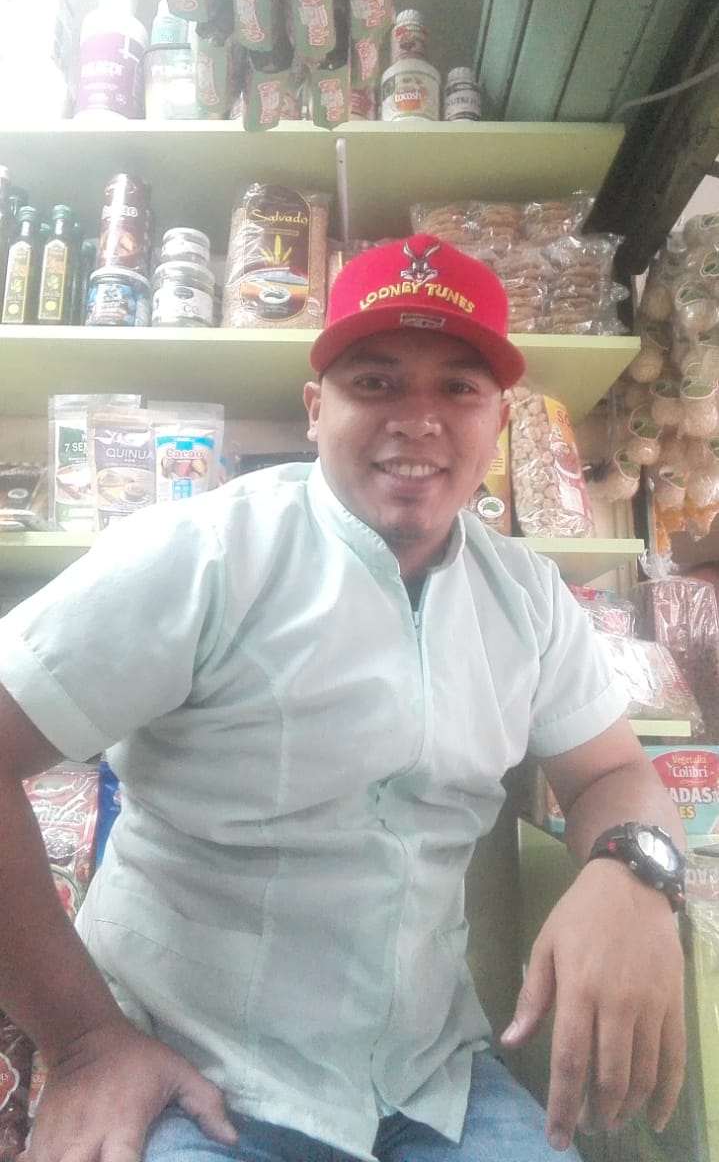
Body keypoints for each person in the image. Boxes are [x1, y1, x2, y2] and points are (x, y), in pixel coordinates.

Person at [0, 235, 686, 1162]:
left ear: (498, 420)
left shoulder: (526, 595)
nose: (419, 419)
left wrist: (632, 873)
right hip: (186, 1068)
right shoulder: (202, 555)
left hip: (427, 1079)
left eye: (458, 387)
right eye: (375, 382)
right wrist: (83, 1043)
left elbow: (610, 772)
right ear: (317, 409)